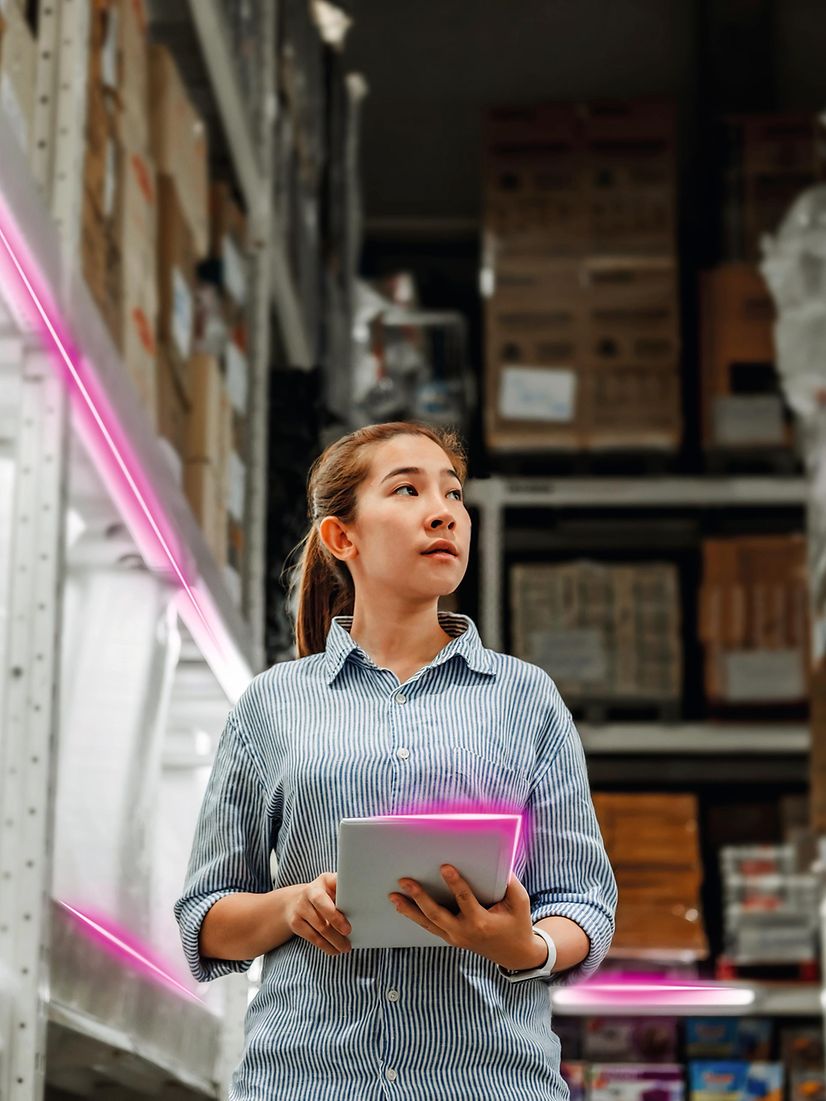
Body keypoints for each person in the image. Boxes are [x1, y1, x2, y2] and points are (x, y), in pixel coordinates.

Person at [174, 420, 617, 1101]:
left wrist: (524, 947)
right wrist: (294, 905)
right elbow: (205, 916)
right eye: (407, 489)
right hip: (305, 1082)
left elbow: (584, 901)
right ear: (341, 537)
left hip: (489, 1082)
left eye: (453, 493)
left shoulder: (525, 698)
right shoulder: (272, 704)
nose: (443, 511)